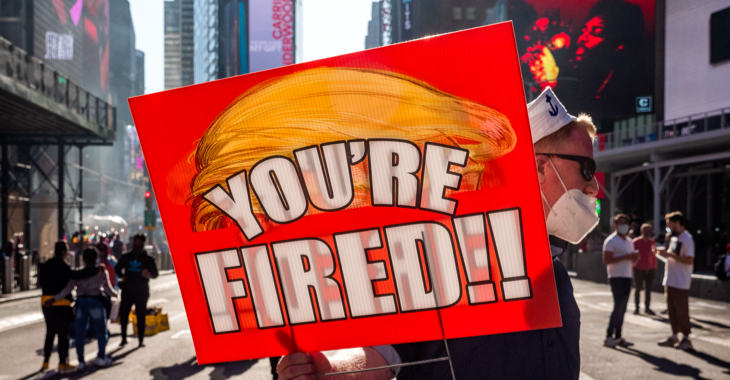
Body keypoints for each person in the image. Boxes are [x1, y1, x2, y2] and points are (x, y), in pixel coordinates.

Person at [277, 87, 599, 380]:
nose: (595, 187)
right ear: (541, 168)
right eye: (586, 169)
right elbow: (385, 352)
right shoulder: (449, 257)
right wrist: (331, 372)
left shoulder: (555, 273)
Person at [45, 247, 118, 369]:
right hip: (96, 302)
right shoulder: (100, 271)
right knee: (102, 331)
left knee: (80, 334)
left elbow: (68, 289)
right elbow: (107, 289)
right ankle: (101, 357)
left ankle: (81, 361)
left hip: (81, 303)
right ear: (96, 258)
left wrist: (54, 299)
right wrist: (117, 295)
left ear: (83, 259)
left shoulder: (77, 274)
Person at [657, 211, 695, 350]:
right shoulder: (674, 238)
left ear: (677, 223)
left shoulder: (686, 238)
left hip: (680, 281)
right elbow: (672, 257)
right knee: (671, 310)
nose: (668, 227)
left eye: (669, 224)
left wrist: (670, 254)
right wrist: (662, 254)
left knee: (682, 311)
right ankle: (674, 336)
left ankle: (686, 338)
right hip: (670, 280)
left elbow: (689, 259)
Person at [38, 241, 77, 372]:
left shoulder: (45, 266)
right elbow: (69, 285)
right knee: (62, 334)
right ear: (65, 252)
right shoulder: (65, 267)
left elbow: (41, 283)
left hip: (46, 302)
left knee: (50, 332)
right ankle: (62, 362)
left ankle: (45, 361)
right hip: (62, 303)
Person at [115, 234, 159, 347]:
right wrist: (122, 276)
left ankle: (140, 340)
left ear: (144, 244)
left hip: (142, 291)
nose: (137, 245)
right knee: (124, 315)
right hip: (127, 290)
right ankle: (123, 338)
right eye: (136, 243)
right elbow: (117, 268)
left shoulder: (148, 259)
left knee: (141, 316)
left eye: (139, 243)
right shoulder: (126, 257)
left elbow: (155, 274)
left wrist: (148, 274)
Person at [602, 214, 637, 348]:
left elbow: (631, 260)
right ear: (615, 225)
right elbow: (607, 260)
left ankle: (618, 336)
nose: (623, 226)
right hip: (616, 277)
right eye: (620, 223)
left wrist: (634, 258)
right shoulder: (610, 241)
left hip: (627, 276)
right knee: (618, 306)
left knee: (623, 308)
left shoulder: (629, 241)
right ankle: (609, 336)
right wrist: (626, 256)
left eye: (625, 223)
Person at [633, 223, 657, 315]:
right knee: (638, 288)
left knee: (648, 289)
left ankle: (647, 308)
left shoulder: (652, 242)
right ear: (641, 231)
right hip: (638, 269)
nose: (648, 232)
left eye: (649, 231)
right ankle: (637, 308)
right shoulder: (636, 242)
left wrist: (654, 267)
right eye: (646, 230)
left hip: (649, 269)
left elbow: (654, 255)